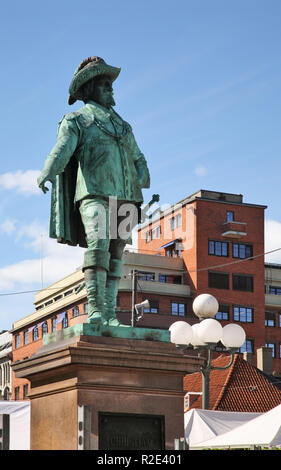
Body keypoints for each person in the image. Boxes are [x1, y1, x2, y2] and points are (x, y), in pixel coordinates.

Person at [37, 56, 150, 326]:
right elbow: (62, 149)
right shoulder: (77, 120)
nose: (111, 89)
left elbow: (139, 157)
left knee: (116, 253)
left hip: (126, 196)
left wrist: (143, 175)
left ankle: (110, 313)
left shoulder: (123, 126)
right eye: (104, 84)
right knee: (98, 247)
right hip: (94, 194)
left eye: (111, 84)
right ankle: (97, 310)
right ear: (89, 90)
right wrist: (47, 171)